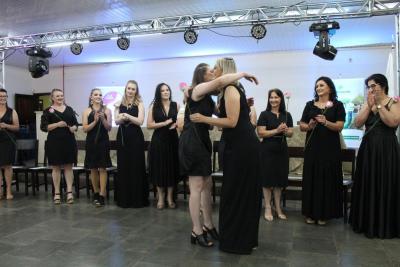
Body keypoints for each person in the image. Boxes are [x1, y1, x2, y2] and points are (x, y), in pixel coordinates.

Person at [189, 57, 260, 254]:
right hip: (226, 145)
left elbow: (231, 121)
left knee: (235, 193)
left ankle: (236, 239)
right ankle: (205, 229)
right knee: (234, 192)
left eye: (215, 68)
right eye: (209, 70)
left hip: (240, 146)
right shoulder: (206, 91)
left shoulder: (229, 89)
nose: (213, 71)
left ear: (224, 71)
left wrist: (204, 118)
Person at [350, 73, 400, 238]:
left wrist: (378, 106)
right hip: (369, 148)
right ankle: (366, 222)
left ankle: (384, 224)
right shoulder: (368, 102)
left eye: (373, 86)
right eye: (369, 87)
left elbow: (393, 122)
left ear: (383, 85)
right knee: (368, 182)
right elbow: (357, 123)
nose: (370, 89)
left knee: (385, 183)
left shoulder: (393, 102)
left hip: (386, 149)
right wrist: (367, 106)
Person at [299, 77, 345, 225]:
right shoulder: (309, 105)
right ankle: (310, 213)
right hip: (313, 148)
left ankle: (325, 213)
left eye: (321, 85)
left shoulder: (337, 105)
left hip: (330, 149)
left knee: (327, 178)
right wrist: (310, 125)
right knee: (312, 177)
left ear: (330, 88)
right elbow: (302, 126)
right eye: (317, 86)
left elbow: (339, 126)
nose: (318, 88)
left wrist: (326, 122)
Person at [257, 89, 293, 221]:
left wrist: (285, 131)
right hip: (267, 150)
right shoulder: (264, 114)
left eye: (276, 97)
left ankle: (277, 207)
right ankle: (267, 207)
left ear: (281, 99)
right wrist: (277, 130)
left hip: (282, 150)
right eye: (271, 98)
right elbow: (261, 133)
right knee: (267, 180)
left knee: (279, 181)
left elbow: (291, 133)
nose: (273, 100)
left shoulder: (286, 114)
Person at [114, 80, 149, 208]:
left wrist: (127, 116)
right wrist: (121, 117)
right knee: (123, 167)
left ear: (136, 91)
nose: (130, 91)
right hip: (123, 137)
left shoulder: (140, 103)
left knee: (136, 166)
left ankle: (137, 200)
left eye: (133, 89)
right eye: (129, 88)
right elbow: (117, 121)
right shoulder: (119, 103)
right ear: (125, 89)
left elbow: (140, 121)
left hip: (135, 137)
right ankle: (124, 200)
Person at [40, 88, 78, 204]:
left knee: (68, 167)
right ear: (52, 98)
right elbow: (44, 127)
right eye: (57, 96)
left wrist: (74, 128)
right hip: (54, 142)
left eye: (61, 95)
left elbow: (76, 123)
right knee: (56, 167)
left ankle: (69, 192)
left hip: (69, 142)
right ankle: (57, 193)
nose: (60, 98)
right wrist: (57, 124)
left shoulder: (69, 109)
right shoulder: (47, 111)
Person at [147, 83, 180, 209]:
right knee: (160, 169)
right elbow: (149, 125)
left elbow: (181, 120)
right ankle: (160, 198)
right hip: (159, 141)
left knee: (171, 168)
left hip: (172, 140)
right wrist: (164, 123)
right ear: (158, 93)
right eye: (163, 91)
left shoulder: (176, 105)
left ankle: (170, 197)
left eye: (167, 90)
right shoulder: (154, 106)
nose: (166, 92)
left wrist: (176, 125)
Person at [82, 88, 112, 207]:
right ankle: (95, 192)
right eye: (96, 94)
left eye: (100, 94)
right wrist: (94, 121)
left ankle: (102, 194)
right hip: (91, 142)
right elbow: (85, 129)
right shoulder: (86, 111)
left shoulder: (107, 110)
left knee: (102, 168)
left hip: (103, 142)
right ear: (91, 97)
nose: (98, 96)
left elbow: (109, 128)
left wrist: (103, 119)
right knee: (93, 168)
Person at [0, 88, 19, 200]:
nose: (2, 98)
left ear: (7, 98)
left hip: (8, 141)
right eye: (0, 96)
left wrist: (6, 126)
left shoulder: (12, 111)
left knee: (7, 166)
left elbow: (17, 127)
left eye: (4, 96)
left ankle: (8, 190)